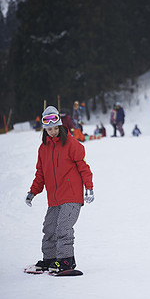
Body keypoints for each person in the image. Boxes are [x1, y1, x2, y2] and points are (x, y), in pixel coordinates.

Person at [25, 106, 94, 273]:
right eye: (49, 129)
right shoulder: (43, 149)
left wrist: (89, 188)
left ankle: (65, 261)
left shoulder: (72, 144)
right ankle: (50, 259)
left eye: (56, 128)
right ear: (45, 129)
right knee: (49, 228)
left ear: (61, 126)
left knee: (63, 228)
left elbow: (84, 167)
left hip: (71, 196)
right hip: (54, 198)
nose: (53, 132)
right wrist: (33, 191)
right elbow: (40, 173)